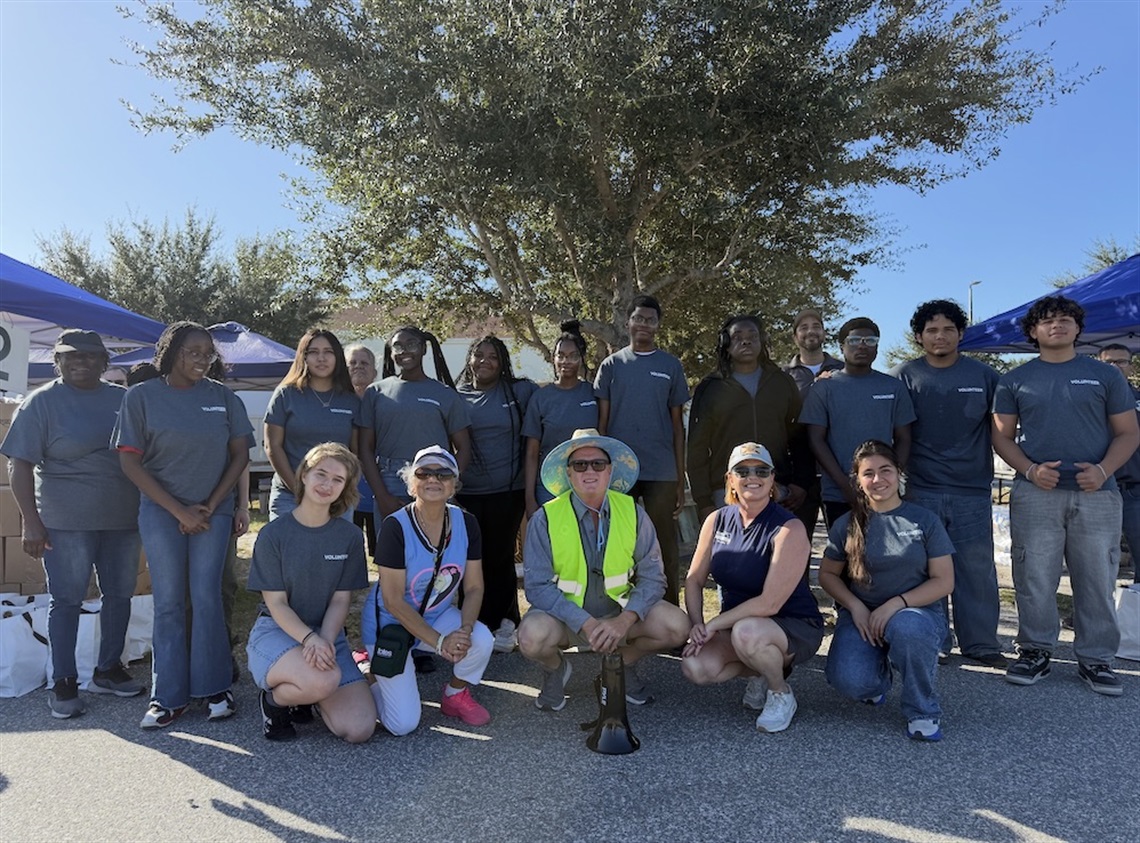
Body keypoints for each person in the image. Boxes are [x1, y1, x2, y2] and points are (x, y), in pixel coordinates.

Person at [993, 297, 1138, 695]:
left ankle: (1096, 659)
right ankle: (1036, 650)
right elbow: (1001, 436)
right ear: (1033, 332)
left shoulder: (1106, 376)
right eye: (1047, 321)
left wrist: (1104, 470)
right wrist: (1029, 470)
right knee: (1034, 576)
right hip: (1036, 491)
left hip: (1099, 493)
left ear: (1078, 329)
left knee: (1097, 576)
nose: (1057, 325)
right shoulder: (1014, 380)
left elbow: (1128, 433)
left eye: (1065, 319)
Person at [114, 321, 253, 729]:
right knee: (171, 602)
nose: (201, 359)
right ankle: (168, 697)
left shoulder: (224, 398)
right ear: (171, 352)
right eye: (192, 351)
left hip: (214, 512)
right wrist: (179, 511)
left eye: (207, 352)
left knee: (207, 596)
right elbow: (129, 461)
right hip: (161, 512)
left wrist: (209, 505)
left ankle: (215, 689)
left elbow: (240, 455)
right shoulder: (141, 397)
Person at [1, 330, 145, 719]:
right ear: (58, 362)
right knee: (66, 600)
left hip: (123, 519)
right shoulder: (40, 403)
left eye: (89, 356)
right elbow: (19, 466)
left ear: (104, 363)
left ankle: (108, 669)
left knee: (120, 595)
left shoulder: (125, 400)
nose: (80, 362)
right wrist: (31, 522)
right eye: (71, 356)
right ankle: (63, 680)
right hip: (66, 522)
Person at [519, 429, 689, 710]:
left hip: (619, 615)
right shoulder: (544, 518)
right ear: (568, 473)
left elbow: (653, 578)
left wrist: (624, 621)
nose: (590, 470)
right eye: (580, 464)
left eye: (598, 463)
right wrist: (585, 623)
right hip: (565, 619)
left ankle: (619, 666)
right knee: (530, 637)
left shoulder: (634, 512)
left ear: (610, 471)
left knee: (677, 626)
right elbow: (537, 586)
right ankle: (555, 669)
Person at [681, 442, 823, 733]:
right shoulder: (716, 519)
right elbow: (694, 580)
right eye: (742, 470)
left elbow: (769, 604)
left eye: (761, 470)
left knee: (748, 632)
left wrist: (714, 625)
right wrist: (697, 626)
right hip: (739, 626)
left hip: (792, 624)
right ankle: (761, 670)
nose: (751, 476)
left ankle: (780, 692)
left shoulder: (789, 528)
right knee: (695, 666)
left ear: (772, 479)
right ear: (730, 479)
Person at [892, 300, 1004, 667]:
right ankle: (935, 638)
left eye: (948, 330)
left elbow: (1004, 429)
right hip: (920, 489)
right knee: (926, 569)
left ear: (960, 334)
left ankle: (982, 643)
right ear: (920, 337)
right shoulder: (905, 376)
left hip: (971, 491)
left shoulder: (985, 377)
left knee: (976, 570)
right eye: (932, 330)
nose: (940, 336)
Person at [820, 440, 955, 742]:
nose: (878, 480)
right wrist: (854, 607)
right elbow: (827, 575)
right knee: (850, 681)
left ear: (899, 474)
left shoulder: (924, 520)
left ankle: (922, 711)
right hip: (862, 616)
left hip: (914, 613)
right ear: (858, 480)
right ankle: (876, 678)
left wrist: (897, 603)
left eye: (885, 471)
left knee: (908, 629)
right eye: (868, 473)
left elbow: (944, 581)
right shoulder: (847, 524)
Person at [246, 443, 376, 742]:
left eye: (337, 479)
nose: (327, 484)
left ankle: (308, 695)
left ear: (345, 488)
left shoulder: (349, 536)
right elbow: (276, 603)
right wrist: (309, 639)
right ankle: (275, 703)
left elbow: (341, 599)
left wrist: (325, 642)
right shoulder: (274, 534)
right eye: (321, 474)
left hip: (327, 635)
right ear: (304, 474)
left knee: (359, 729)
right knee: (324, 679)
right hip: (278, 632)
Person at [362, 446, 494, 733]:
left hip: (436, 616)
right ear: (412, 484)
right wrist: (439, 642)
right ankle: (368, 675)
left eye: (443, 473)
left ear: (453, 485)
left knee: (482, 640)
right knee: (403, 725)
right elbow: (393, 600)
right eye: (424, 473)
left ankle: (454, 695)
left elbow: (473, 587)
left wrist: (465, 630)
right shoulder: (395, 526)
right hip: (390, 626)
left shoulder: (466, 522)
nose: (433, 479)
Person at [595, 295, 690, 604]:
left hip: (661, 471)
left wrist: (679, 476)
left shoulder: (670, 366)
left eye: (651, 320)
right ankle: (619, 610)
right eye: (639, 319)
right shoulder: (611, 366)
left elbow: (678, 427)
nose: (644, 324)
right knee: (619, 543)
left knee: (664, 545)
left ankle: (669, 610)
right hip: (621, 473)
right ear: (628, 323)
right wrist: (602, 472)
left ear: (658, 326)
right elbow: (603, 425)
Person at [456, 335, 538, 652]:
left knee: (500, 556)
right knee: (471, 558)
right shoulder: (456, 396)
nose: (485, 361)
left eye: (493, 356)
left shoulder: (520, 391)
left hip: (509, 490)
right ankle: (474, 623)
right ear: (470, 359)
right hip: (467, 494)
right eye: (479, 354)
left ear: (503, 362)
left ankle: (506, 624)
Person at [688, 315, 811, 523]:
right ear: (725, 344)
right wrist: (703, 500)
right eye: (737, 336)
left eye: (752, 335)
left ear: (762, 341)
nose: (745, 341)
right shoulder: (710, 388)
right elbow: (696, 448)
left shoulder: (782, 383)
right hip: (726, 492)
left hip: (777, 488)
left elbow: (800, 437)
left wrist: (801, 482)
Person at [799, 317, 915, 528]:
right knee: (841, 557)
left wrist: (891, 478)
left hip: (883, 493)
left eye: (870, 340)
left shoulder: (893, 387)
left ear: (877, 347)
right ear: (841, 346)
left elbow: (904, 438)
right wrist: (846, 485)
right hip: (838, 493)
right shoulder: (824, 389)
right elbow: (816, 440)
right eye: (854, 341)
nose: (862, 345)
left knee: (884, 557)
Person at [356, 326, 472, 520]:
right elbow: (365, 449)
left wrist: (446, 480)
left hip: (433, 478)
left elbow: (464, 447)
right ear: (391, 352)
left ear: (424, 349)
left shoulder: (445, 394)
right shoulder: (375, 393)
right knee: (393, 546)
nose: (404, 351)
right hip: (389, 480)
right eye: (398, 346)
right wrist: (382, 496)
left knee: (434, 546)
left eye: (411, 345)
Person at [264, 329, 359, 520]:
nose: (321, 358)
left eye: (328, 352)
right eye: (313, 352)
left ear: (338, 357)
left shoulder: (352, 401)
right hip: (290, 496)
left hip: (336, 500)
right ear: (303, 357)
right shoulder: (286, 395)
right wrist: (299, 490)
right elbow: (272, 446)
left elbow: (355, 454)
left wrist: (339, 490)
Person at [523, 320, 599, 516]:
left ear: (582, 359)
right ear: (553, 358)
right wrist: (529, 498)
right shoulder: (540, 398)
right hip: (550, 487)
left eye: (573, 356)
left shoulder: (594, 395)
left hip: (589, 482)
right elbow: (532, 453)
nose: (566, 361)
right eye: (561, 355)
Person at [782, 308, 845, 539]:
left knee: (847, 549)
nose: (811, 331)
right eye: (804, 327)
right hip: (799, 477)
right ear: (795, 336)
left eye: (816, 326)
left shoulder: (843, 370)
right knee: (796, 548)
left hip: (839, 472)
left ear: (824, 333)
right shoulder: (783, 376)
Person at [1097, 344, 1140, 584]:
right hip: (1098, 489)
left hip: (1135, 490)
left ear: (1130, 365)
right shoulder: (1089, 401)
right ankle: (1091, 615)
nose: (1115, 366)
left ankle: (1135, 617)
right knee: (1095, 558)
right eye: (1108, 362)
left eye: (1121, 361)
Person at [345, 343, 379, 559]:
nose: (358, 367)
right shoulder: (336, 402)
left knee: (381, 551)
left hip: (377, 490)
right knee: (349, 552)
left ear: (374, 371)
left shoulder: (383, 401)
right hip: (346, 491)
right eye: (353, 363)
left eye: (364, 363)